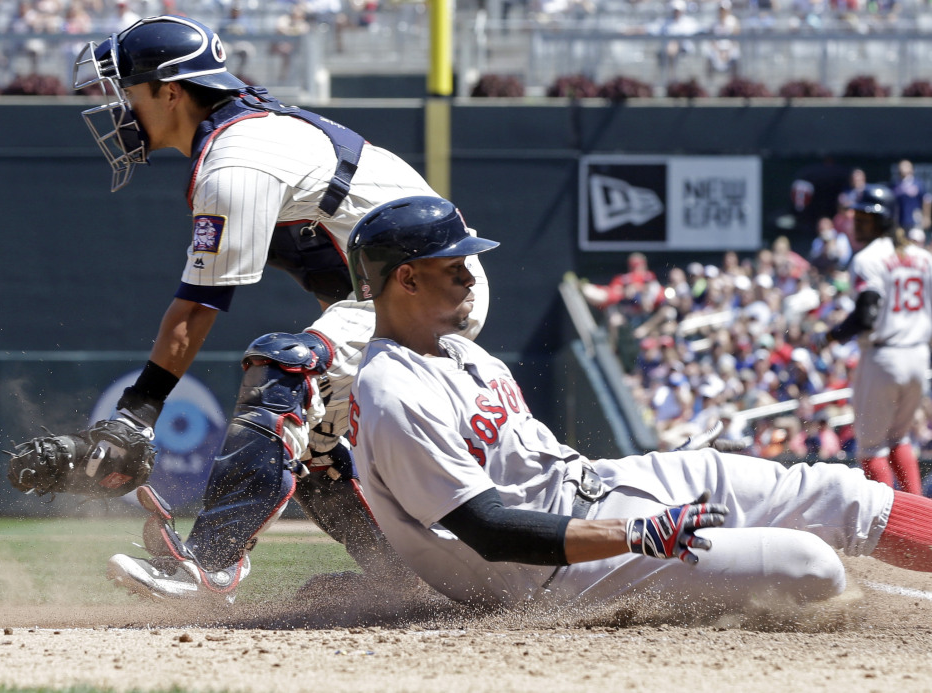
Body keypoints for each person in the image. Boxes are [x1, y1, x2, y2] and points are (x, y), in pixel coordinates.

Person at [67, 15, 490, 604]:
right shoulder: (248, 139)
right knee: (312, 443)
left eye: (129, 92)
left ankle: (210, 563)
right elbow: (335, 266)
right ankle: (410, 583)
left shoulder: (237, 161)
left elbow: (199, 308)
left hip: (425, 286)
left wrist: (138, 412)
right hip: (408, 283)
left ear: (170, 90)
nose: (120, 108)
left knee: (284, 368)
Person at [346, 194, 932, 612]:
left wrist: (626, 516)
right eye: (453, 267)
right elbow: (489, 530)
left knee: (835, 489)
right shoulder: (393, 392)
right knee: (812, 564)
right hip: (551, 572)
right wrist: (635, 533)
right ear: (407, 279)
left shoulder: (461, 352)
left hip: (599, 486)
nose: (471, 277)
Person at [815, 183, 932, 495]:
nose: (858, 223)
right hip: (918, 357)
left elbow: (866, 314)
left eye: (866, 218)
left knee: (870, 448)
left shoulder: (868, 258)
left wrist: (830, 335)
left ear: (884, 220)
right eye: (858, 217)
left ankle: (888, 533)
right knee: (899, 439)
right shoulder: (923, 257)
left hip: (884, 356)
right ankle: (919, 522)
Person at [892, 159, 932, 234]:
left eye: (906, 166)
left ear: (912, 169)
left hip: (915, 219)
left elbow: (926, 200)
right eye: (901, 167)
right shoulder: (895, 185)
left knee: (915, 241)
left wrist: (926, 217)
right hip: (900, 221)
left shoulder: (918, 184)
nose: (903, 169)